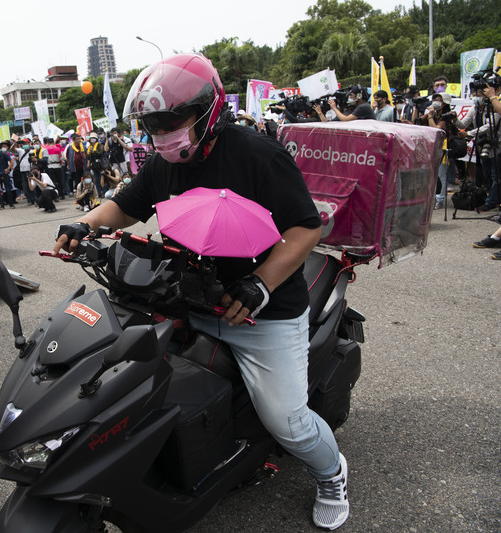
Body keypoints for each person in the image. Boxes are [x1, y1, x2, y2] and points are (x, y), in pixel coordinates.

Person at [53, 53, 349, 530]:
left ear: (209, 109)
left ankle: (331, 473)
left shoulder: (258, 156)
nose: (162, 132)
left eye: (173, 120)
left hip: (259, 312)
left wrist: (260, 284)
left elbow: (305, 230)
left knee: (286, 420)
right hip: (185, 298)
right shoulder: (162, 164)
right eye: (152, 124)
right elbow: (124, 208)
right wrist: (84, 223)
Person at [422, 92, 457, 209]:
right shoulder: (433, 114)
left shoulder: (447, 115)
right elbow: (418, 121)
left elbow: (436, 129)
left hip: (443, 148)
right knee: (433, 173)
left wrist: (430, 115)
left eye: (439, 100)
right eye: (435, 99)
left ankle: (440, 199)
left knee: (441, 174)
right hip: (432, 147)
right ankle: (433, 197)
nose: (436, 102)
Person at [0, 141, 15, 209]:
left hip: (4, 173)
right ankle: (2, 204)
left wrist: (8, 168)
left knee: (8, 189)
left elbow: (11, 161)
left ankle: (11, 204)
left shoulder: (4, 154)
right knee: (0, 190)